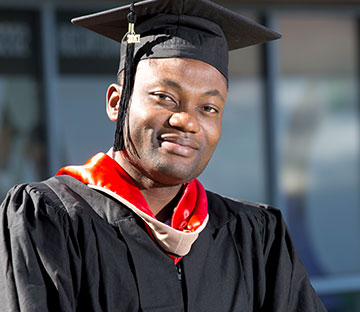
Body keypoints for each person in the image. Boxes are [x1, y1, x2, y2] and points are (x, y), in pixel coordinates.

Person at [0, 0, 327, 311]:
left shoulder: (256, 238)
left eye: (208, 108)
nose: (186, 120)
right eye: (165, 97)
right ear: (117, 103)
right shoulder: (49, 220)